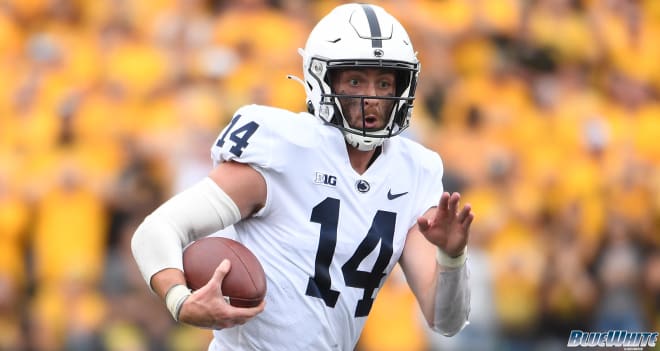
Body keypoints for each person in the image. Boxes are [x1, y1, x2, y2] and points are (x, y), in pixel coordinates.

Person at [131, 3, 474, 350]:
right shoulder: (283, 147)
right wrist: (180, 300)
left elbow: (445, 320)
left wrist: (452, 256)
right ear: (320, 80)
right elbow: (157, 230)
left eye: (385, 82)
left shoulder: (415, 170)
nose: (372, 98)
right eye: (355, 80)